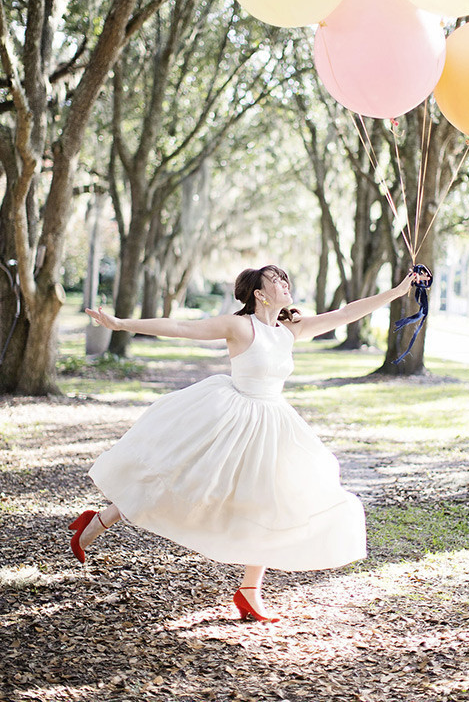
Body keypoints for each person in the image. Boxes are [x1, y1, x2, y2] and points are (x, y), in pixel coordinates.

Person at [72, 264, 421, 622]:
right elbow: (179, 327)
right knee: (182, 480)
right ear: (259, 293)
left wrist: (397, 291)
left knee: (270, 502)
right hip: (231, 416)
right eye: (277, 280)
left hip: (274, 424)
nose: (285, 284)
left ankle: (249, 591)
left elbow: (347, 312)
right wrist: (120, 324)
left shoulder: (291, 328)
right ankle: (98, 520)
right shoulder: (239, 325)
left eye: (286, 278)